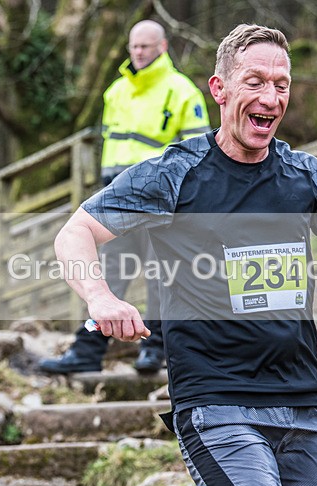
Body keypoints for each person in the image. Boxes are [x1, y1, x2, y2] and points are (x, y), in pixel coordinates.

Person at [53, 23, 317, 486]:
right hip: (216, 399)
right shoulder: (173, 174)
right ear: (219, 90)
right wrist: (99, 297)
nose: (271, 96)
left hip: (300, 401)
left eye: (282, 84)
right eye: (255, 81)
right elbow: (75, 233)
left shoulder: (305, 176)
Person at [39, 20, 211, 374]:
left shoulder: (181, 91)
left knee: (160, 275)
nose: (138, 52)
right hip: (116, 197)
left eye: (145, 46)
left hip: (163, 199)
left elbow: (199, 151)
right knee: (107, 276)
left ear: (162, 47)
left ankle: (154, 349)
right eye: (133, 46)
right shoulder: (115, 91)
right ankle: (87, 349)